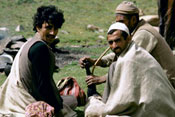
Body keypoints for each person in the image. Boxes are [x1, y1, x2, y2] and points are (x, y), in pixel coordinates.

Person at [85, 22, 175, 117]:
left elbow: (125, 99)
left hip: (154, 109)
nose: (114, 46)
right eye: (111, 42)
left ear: (128, 39)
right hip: (161, 105)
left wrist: (108, 107)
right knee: (113, 66)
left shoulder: (130, 59)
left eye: (118, 41)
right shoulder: (134, 50)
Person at [0, 5, 77, 117]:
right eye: (48, 28)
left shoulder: (30, 42)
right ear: (38, 27)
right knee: (72, 101)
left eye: (55, 28)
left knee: (69, 100)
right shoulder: (40, 48)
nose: (53, 33)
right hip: (24, 100)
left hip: (11, 98)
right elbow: (44, 85)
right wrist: (57, 106)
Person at [80, 1, 175, 88]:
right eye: (117, 22)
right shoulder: (133, 31)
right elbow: (124, 52)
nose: (119, 26)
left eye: (121, 22)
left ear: (133, 19)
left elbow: (129, 62)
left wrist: (102, 79)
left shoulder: (143, 34)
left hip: (168, 84)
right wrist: (97, 62)